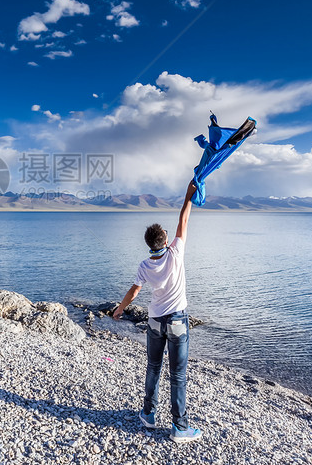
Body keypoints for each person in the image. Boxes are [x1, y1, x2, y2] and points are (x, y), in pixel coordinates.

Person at [113, 179, 203, 443]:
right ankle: (179, 427)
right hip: (177, 321)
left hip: (154, 321)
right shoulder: (175, 252)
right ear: (164, 240)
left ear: (149, 244)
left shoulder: (144, 265)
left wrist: (120, 309)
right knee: (177, 375)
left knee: (153, 367)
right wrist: (189, 193)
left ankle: (148, 414)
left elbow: (134, 291)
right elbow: (183, 221)